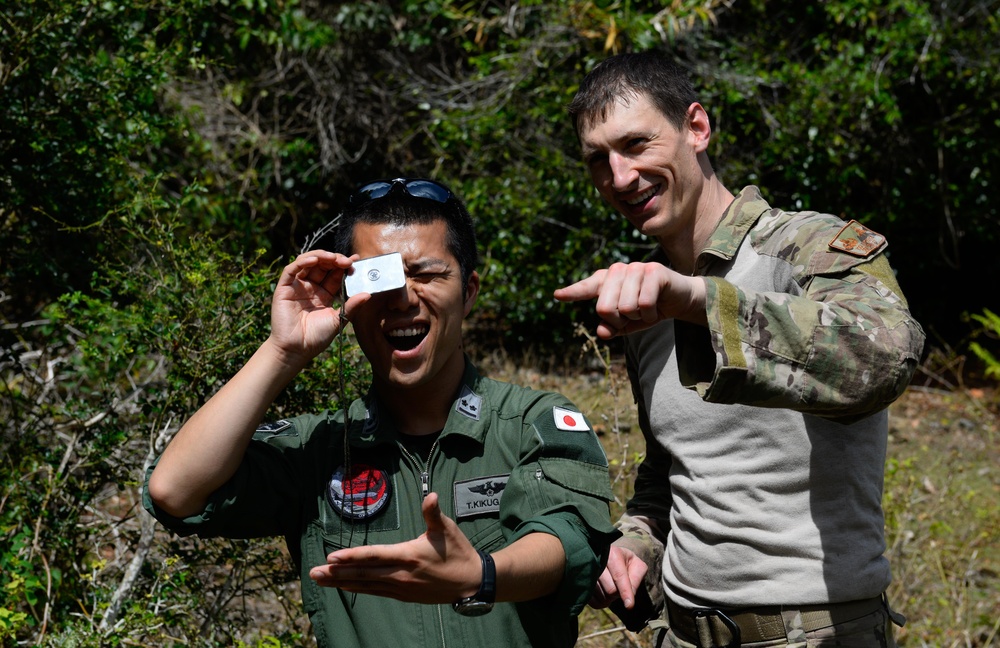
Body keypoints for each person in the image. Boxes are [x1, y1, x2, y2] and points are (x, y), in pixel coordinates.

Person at [143, 177, 620, 648]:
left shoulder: (531, 423)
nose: (403, 298)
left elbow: (569, 539)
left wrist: (479, 574)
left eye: (427, 274)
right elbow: (175, 491)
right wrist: (283, 350)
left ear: (469, 291)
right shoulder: (320, 448)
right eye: (379, 277)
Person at [554, 51, 926, 648]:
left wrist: (701, 302)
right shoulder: (648, 304)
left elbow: (886, 357)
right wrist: (633, 544)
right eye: (599, 159)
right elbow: (673, 470)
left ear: (696, 128)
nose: (620, 177)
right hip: (682, 631)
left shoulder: (808, 247)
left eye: (636, 144)